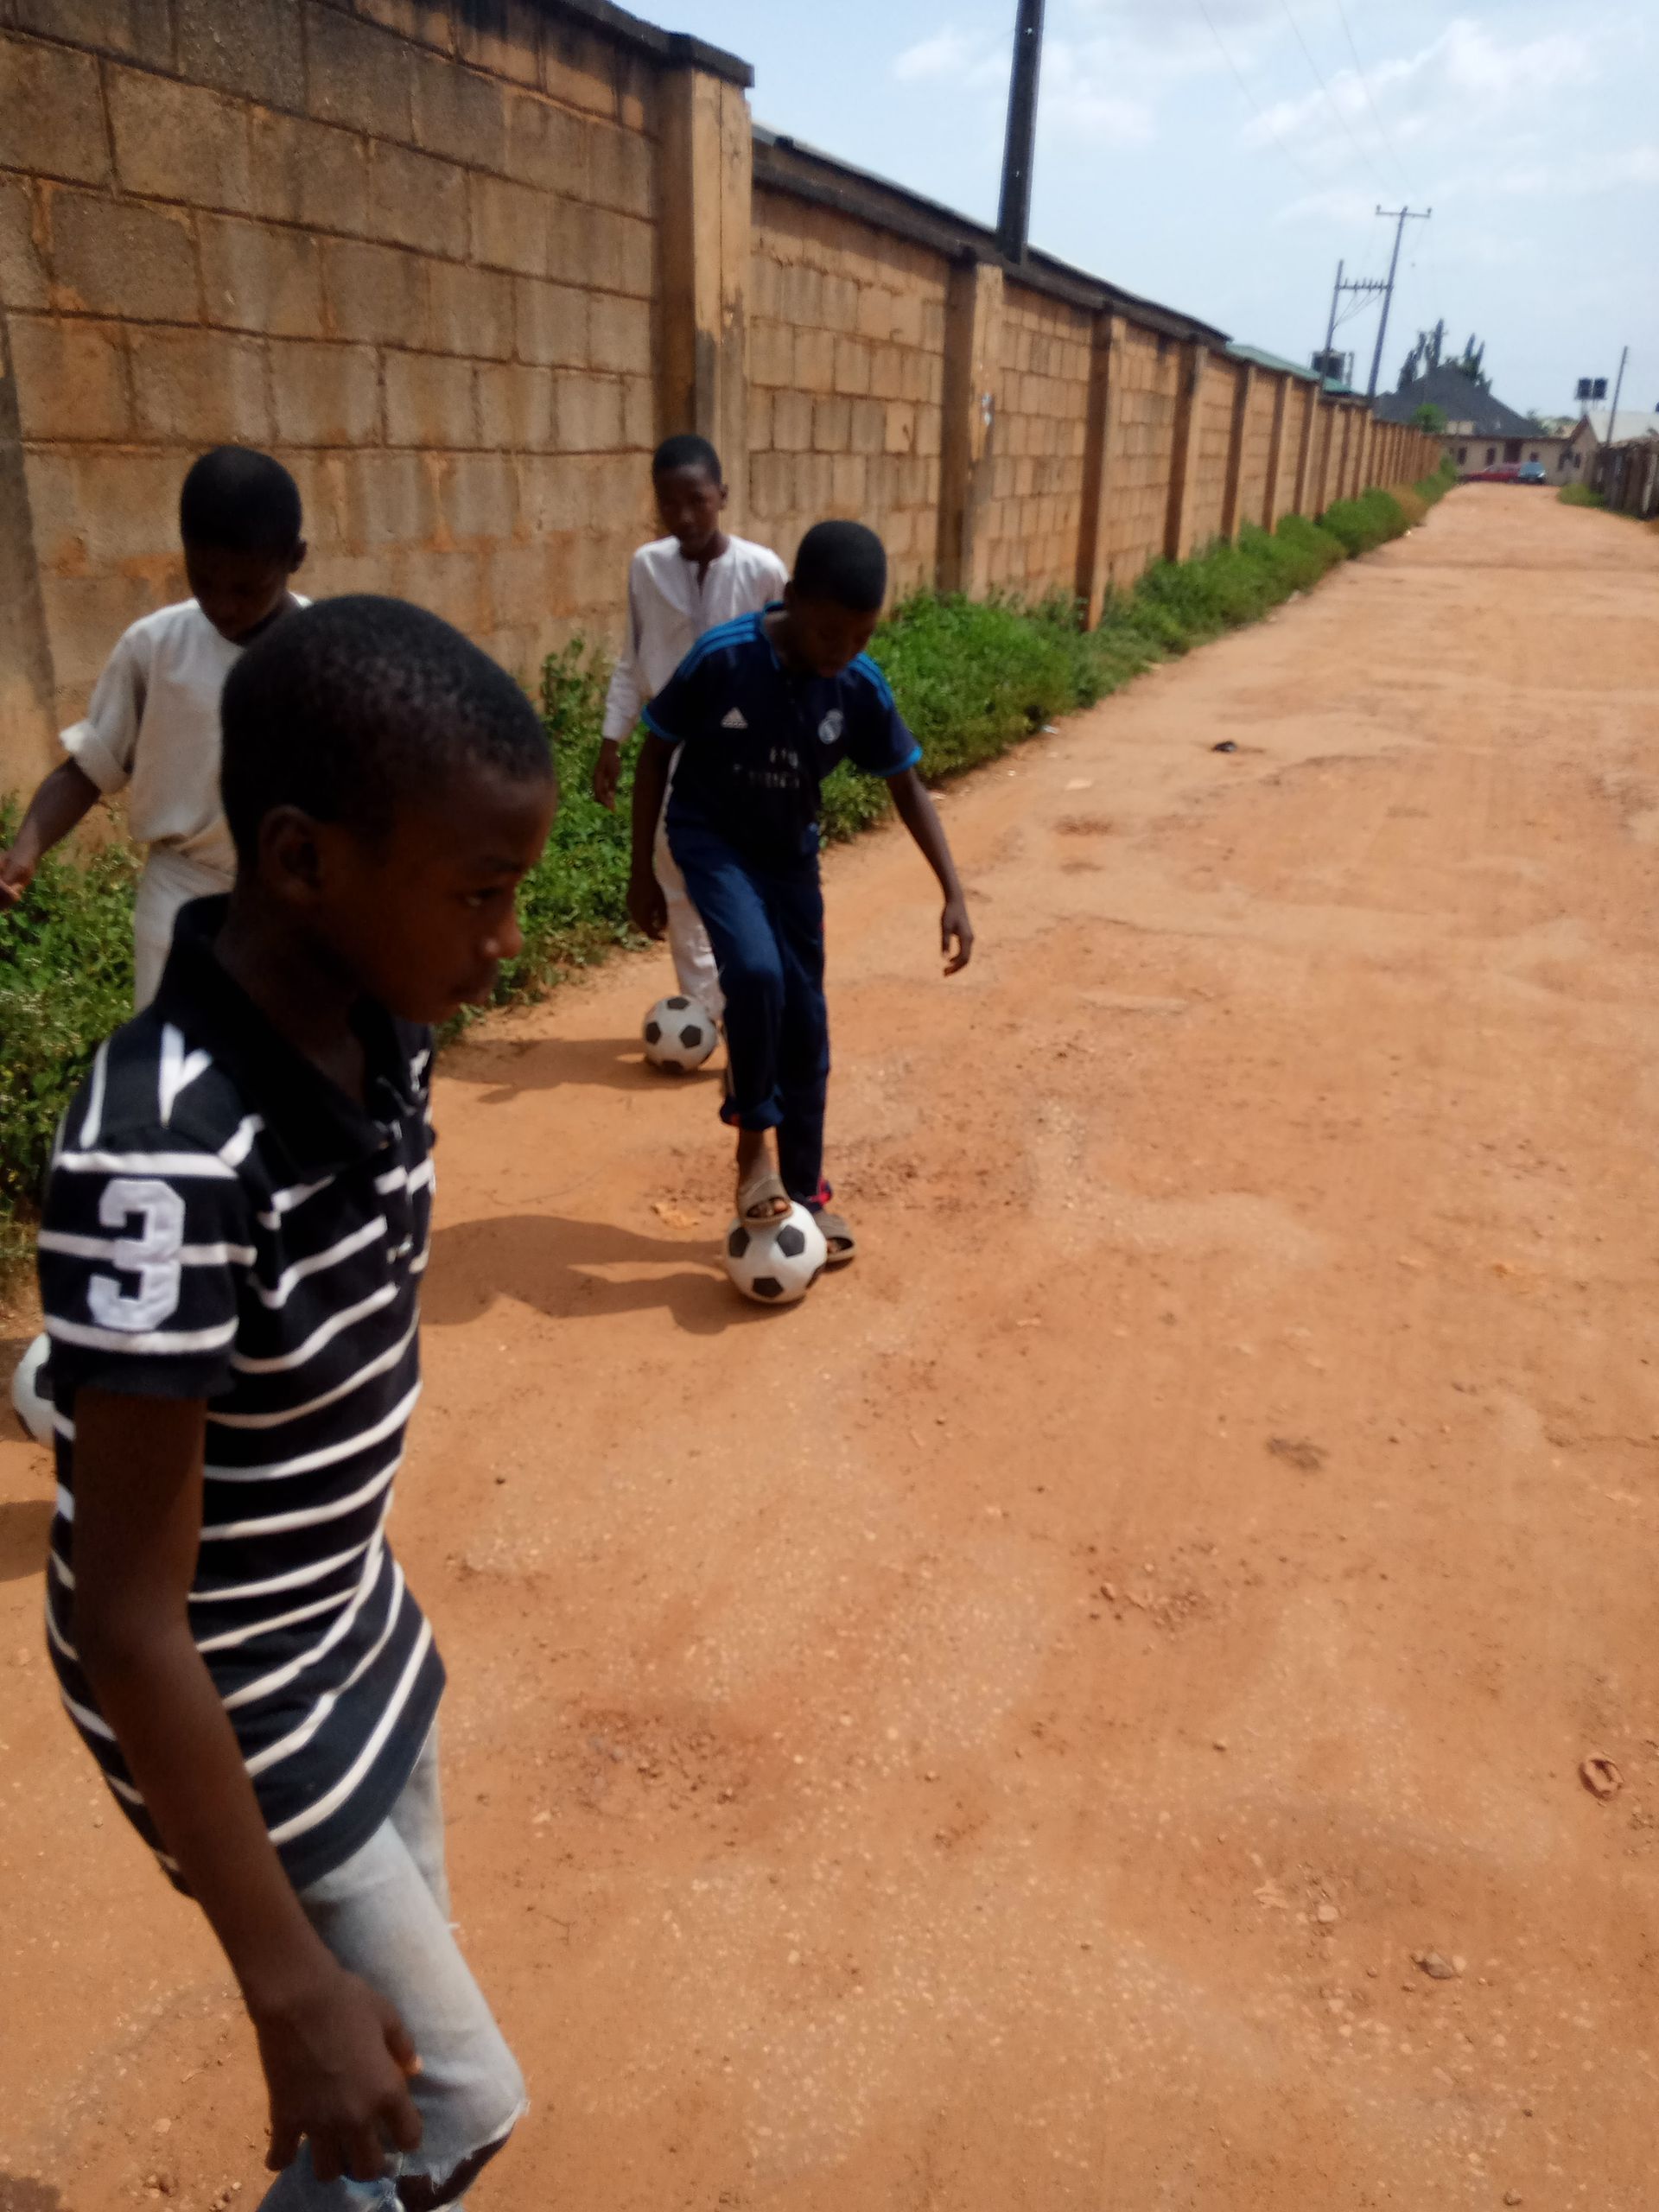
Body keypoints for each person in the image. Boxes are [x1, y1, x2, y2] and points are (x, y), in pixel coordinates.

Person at [37, 595, 557, 2209]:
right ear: (300, 860)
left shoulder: (384, 1025)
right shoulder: (163, 1152)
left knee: (391, 2080)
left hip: (343, 1608)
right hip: (218, 1672)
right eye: (479, 895)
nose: (507, 941)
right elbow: (129, 1618)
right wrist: (282, 1983)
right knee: (447, 2104)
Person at [627, 519, 973, 1263]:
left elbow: (906, 784)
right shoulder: (724, 657)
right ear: (790, 599)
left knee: (807, 1023)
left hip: (788, 855)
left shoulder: (857, 684)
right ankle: (754, 1145)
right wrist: (639, 874)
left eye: (862, 635)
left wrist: (953, 891)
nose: (842, 649)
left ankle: (808, 1193)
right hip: (711, 838)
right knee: (755, 975)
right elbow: (656, 752)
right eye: (828, 633)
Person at [0, 445, 308, 1009]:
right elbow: (87, 769)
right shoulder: (156, 647)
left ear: (294, 558)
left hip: (298, 905)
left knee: (289, 1057)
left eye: (247, 588)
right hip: (180, 900)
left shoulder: (330, 652)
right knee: (170, 1057)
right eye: (204, 580)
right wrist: (25, 851)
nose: (223, 606)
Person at [594, 433, 788, 1019]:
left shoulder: (762, 570)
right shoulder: (646, 567)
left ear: (722, 495)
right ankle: (708, 1015)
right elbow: (634, 657)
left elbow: (791, 665)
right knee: (676, 882)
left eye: (697, 501)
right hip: (671, 752)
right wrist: (611, 739)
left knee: (747, 883)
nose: (683, 517)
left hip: (747, 756)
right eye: (669, 504)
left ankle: (755, 1001)